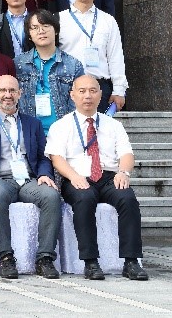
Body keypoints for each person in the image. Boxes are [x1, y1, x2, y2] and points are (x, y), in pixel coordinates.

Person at [45, 75, 146, 281]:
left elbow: (127, 154)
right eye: (82, 91)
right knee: (84, 199)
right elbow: (57, 158)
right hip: (77, 177)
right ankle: (90, 262)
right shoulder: (61, 125)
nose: (87, 96)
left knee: (128, 199)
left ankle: (131, 261)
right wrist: (73, 176)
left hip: (109, 177)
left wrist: (123, 172)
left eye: (92, 91)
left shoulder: (113, 125)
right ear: (72, 95)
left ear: (100, 95)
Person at [0, 74, 62, 279]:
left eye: (12, 90)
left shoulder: (33, 124)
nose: (7, 95)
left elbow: (42, 157)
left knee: (51, 195)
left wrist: (45, 174)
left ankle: (45, 258)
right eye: (3, 90)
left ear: (20, 93)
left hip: (29, 180)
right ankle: (6, 257)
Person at [58, 0, 127, 113]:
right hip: (67, 87)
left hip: (99, 87)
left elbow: (115, 57)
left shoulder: (108, 21)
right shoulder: (59, 19)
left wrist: (119, 90)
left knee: (97, 128)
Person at [16, 10, 85, 133]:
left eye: (46, 26)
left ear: (56, 30)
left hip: (63, 132)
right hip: (28, 132)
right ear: (29, 35)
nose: (41, 31)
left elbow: (78, 102)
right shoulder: (18, 64)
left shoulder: (73, 65)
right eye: (35, 28)